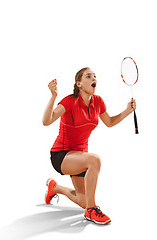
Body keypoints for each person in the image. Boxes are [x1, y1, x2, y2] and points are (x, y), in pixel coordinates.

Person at [42, 67, 136, 225]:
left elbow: (110, 122)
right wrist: (53, 97)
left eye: (95, 76)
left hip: (80, 157)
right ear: (79, 83)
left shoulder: (97, 101)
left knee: (83, 200)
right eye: (89, 76)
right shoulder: (69, 101)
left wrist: (127, 111)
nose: (94, 79)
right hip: (61, 155)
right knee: (95, 160)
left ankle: (55, 187)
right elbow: (46, 121)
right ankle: (91, 210)